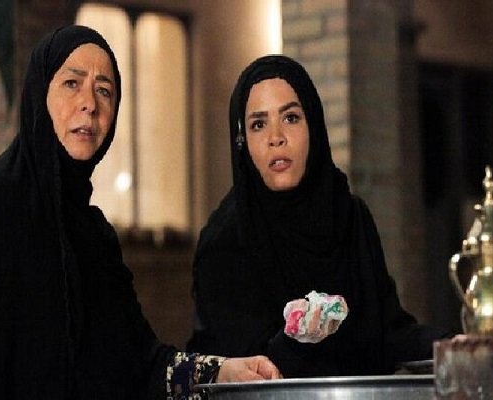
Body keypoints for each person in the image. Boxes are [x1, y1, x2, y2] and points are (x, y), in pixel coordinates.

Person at [0, 25, 280, 399]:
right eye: (72, 83)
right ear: (39, 93)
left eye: (104, 90)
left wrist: (222, 372)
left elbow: (141, 364)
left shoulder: (95, 233)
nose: (89, 103)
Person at [186, 54, 451, 378]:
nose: (276, 137)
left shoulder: (349, 216)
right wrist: (297, 339)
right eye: (258, 124)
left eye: (291, 118)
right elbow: (232, 373)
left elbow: (389, 334)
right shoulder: (226, 240)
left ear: (313, 125)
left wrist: (454, 346)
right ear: (243, 143)